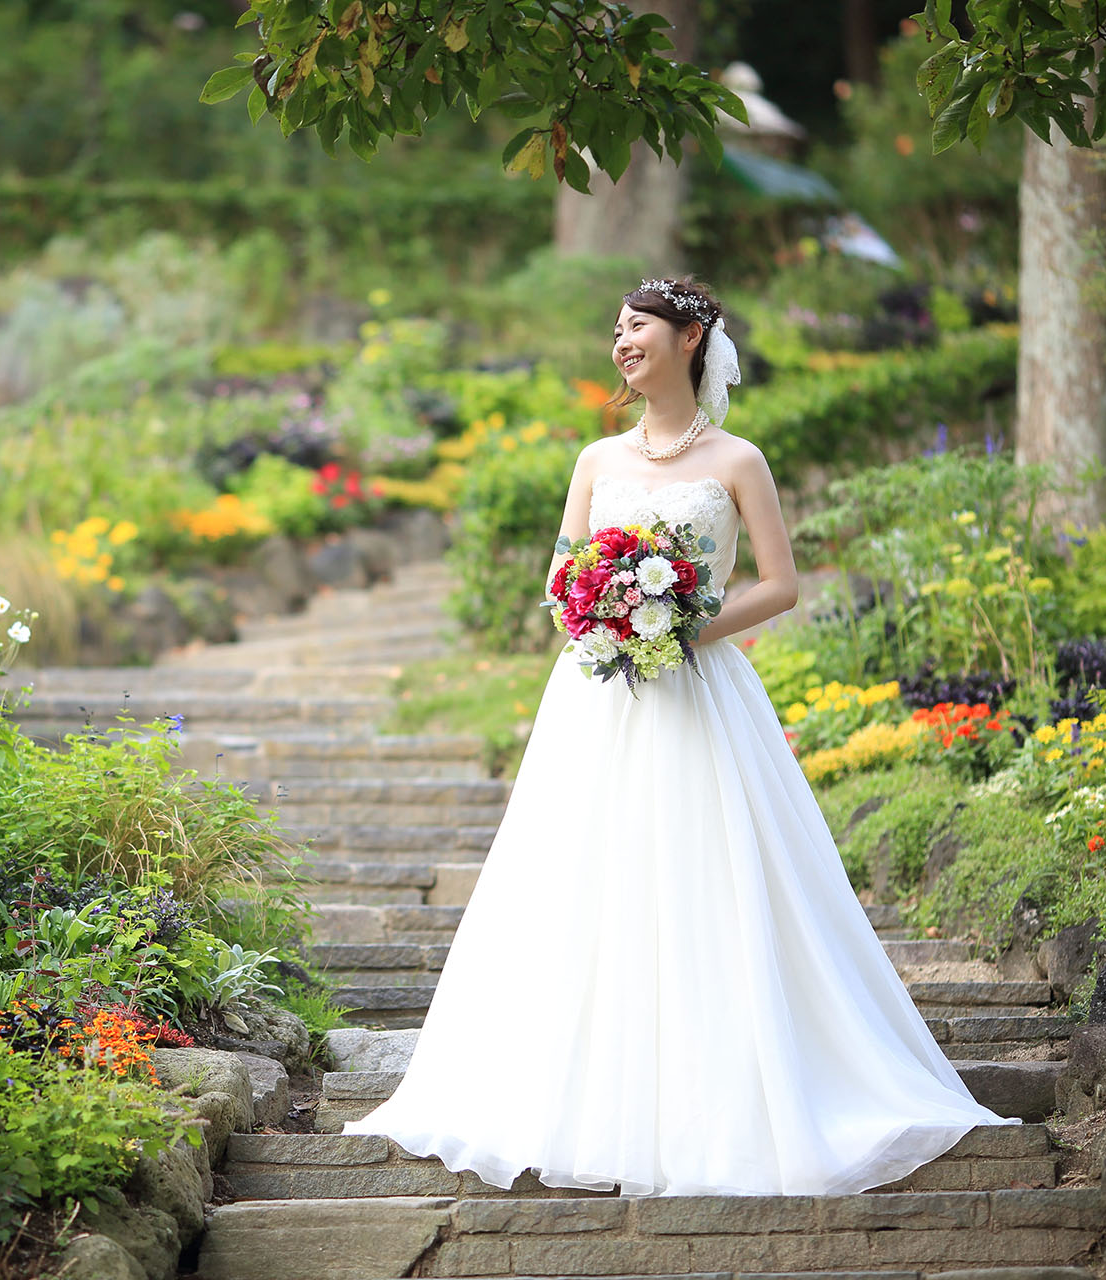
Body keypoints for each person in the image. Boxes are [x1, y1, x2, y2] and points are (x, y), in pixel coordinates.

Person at [339, 275, 1018, 1196]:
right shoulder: (594, 458)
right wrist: (605, 612)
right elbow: (560, 577)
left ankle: (737, 1086)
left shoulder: (739, 461)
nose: (622, 343)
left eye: (640, 328)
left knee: (709, 872)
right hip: (599, 698)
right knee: (585, 874)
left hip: (698, 686)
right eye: (616, 329)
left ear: (691, 338)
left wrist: (680, 626)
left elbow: (780, 585)